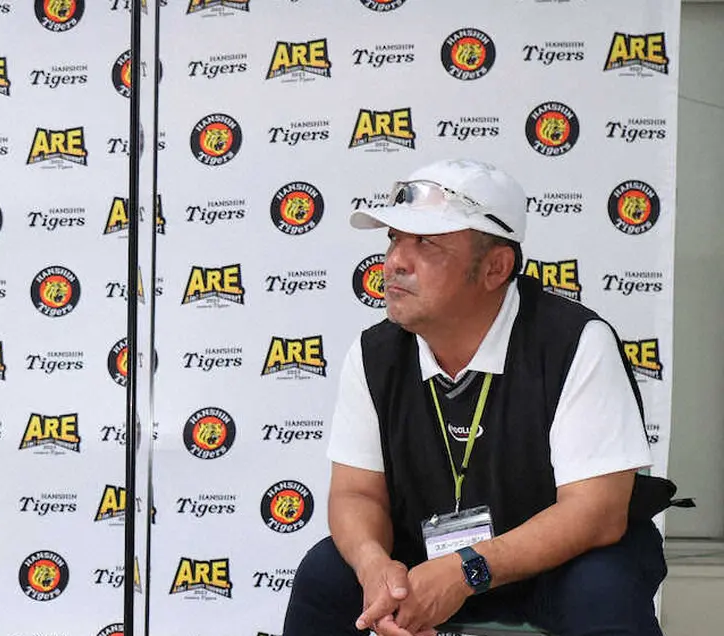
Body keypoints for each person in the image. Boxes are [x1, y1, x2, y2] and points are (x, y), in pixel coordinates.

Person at [281, 158, 670, 636]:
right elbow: (355, 492)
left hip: (556, 565)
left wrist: (467, 569)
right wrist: (374, 566)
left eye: (427, 243)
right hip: (426, 563)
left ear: (494, 268)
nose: (396, 261)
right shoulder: (374, 354)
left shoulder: (574, 342)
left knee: (604, 589)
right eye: (395, 239)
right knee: (326, 574)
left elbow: (596, 514)